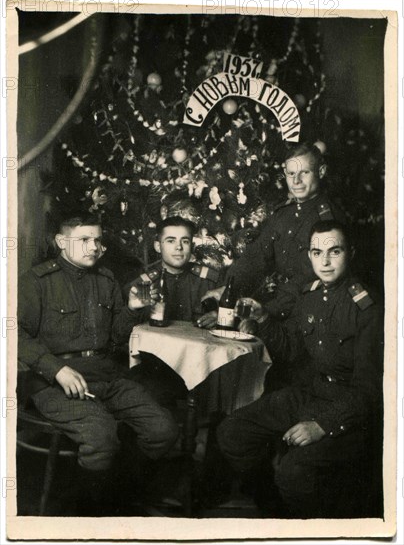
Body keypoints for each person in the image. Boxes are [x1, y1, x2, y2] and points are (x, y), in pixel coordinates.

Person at [216, 220, 384, 518]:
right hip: (312, 392)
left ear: (351, 253)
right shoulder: (309, 296)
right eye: (317, 253)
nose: (326, 261)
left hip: (350, 412)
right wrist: (264, 318)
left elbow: (369, 392)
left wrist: (322, 425)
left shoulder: (367, 309)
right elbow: (292, 348)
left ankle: (306, 525)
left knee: (293, 471)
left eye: (335, 251)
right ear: (309, 256)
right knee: (232, 431)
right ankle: (275, 508)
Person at [18, 214, 179, 514]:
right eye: (84, 240)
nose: (94, 247)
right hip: (53, 381)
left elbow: (116, 339)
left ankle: (117, 493)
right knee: (101, 434)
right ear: (61, 242)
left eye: (97, 240)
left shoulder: (106, 280)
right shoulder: (37, 282)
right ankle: (88, 515)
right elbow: (15, 333)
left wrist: (131, 310)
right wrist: (56, 369)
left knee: (163, 428)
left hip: (106, 374)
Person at [203, 142, 346, 321]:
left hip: (305, 313)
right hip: (273, 305)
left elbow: (306, 282)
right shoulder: (283, 214)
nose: (296, 181)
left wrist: (258, 313)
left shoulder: (329, 222)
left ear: (322, 171)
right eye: (291, 173)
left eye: (305, 173)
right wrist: (227, 288)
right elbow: (256, 256)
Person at [125, 216, 223, 405]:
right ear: (157, 246)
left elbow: (232, 319)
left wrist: (217, 317)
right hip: (156, 370)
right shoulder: (142, 284)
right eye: (170, 241)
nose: (179, 248)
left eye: (185, 241)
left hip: (201, 368)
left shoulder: (210, 281)